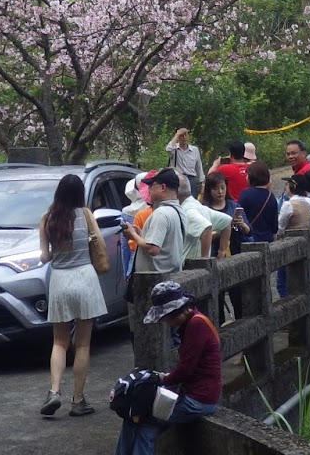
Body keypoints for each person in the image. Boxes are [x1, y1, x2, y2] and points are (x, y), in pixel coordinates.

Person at [113, 281, 221, 455]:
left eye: (165, 317)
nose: (165, 322)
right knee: (139, 422)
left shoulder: (196, 325)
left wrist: (163, 379)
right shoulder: (194, 322)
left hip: (199, 400)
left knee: (144, 419)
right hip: (194, 394)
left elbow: (186, 370)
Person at [37, 173, 106, 418]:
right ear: (79, 193)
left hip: (61, 280)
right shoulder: (86, 215)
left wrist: (51, 253)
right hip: (85, 278)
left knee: (59, 342)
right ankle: (78, 400)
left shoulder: (47, 219)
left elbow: (45, 256)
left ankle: (54, 391)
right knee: (83, 343)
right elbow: (99, 244)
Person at [122, 171, 187, 274]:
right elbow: (165, 245)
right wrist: (141, 234)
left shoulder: (161, 213)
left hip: (157, 279)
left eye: (151, 185)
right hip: (172, 275)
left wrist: (133, 235)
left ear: (162, 187)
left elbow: (153, 249)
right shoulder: (179, 211)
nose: (148, 190)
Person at [274, 174, 310, 299]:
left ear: (293, 186)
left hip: (289, 242)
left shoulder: (288, 204)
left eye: (287, 184)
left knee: (282, 282)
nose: (285, 187)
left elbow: (281, 227)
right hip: (305, 242)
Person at [200, 172, 246, 258]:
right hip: (212, 254)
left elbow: (249, 231)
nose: (220, 192)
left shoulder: (234, 206)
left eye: (222, 188)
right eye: (216, 189)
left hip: (235, 252)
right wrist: (225, 229)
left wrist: (242, 225)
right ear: (209, 190)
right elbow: (201, 237)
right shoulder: (204, 210)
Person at [235, 162, 280, 246]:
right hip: (267, 239)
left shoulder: (245, 194)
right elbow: (274, 225)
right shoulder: (271, 196)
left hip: (250, 239)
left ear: (251, 176)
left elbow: (239, 214)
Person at [164, 129, 204, 199]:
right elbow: (168, 149)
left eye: (186, 135)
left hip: (191, 179)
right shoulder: (174, 149)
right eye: (182, 135)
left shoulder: (194, 150)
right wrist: (177, 134)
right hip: (178, 179)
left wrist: (202, 183)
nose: (184, 137)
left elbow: (199, 167)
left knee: (191, 202)